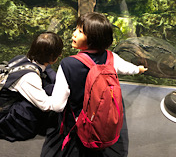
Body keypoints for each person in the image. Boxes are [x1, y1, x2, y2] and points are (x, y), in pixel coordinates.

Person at [41, 12, 148, 157]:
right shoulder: (111, 57)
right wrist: (139, 69)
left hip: (79, 121)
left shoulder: (68, 64)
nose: (74, 34)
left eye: (80, 32)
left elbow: (58, 106)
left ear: (93, 38)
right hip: (102, 115)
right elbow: (127, 68)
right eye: (76, 29)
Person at [0, 31, 63, 141]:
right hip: (5, 121)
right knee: (50, 90)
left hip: (6, 106)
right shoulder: (30, 77)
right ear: (53, 57)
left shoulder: (20, 59)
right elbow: (46, 105)